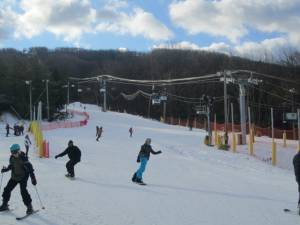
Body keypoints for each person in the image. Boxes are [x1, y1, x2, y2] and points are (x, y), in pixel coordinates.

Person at [0, 144, 37, 214]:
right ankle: (4, 204)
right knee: (7, 189)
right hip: (14, 176)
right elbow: (11, 166)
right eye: (12, 152)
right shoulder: (12, 158)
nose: (14, 154)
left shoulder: (24, 158)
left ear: (19, 151)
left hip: (23, 177)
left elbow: (30, 169)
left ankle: (30, 207)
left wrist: (33, 178)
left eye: (15, 152)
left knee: (23, 191)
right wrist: (6, 169)